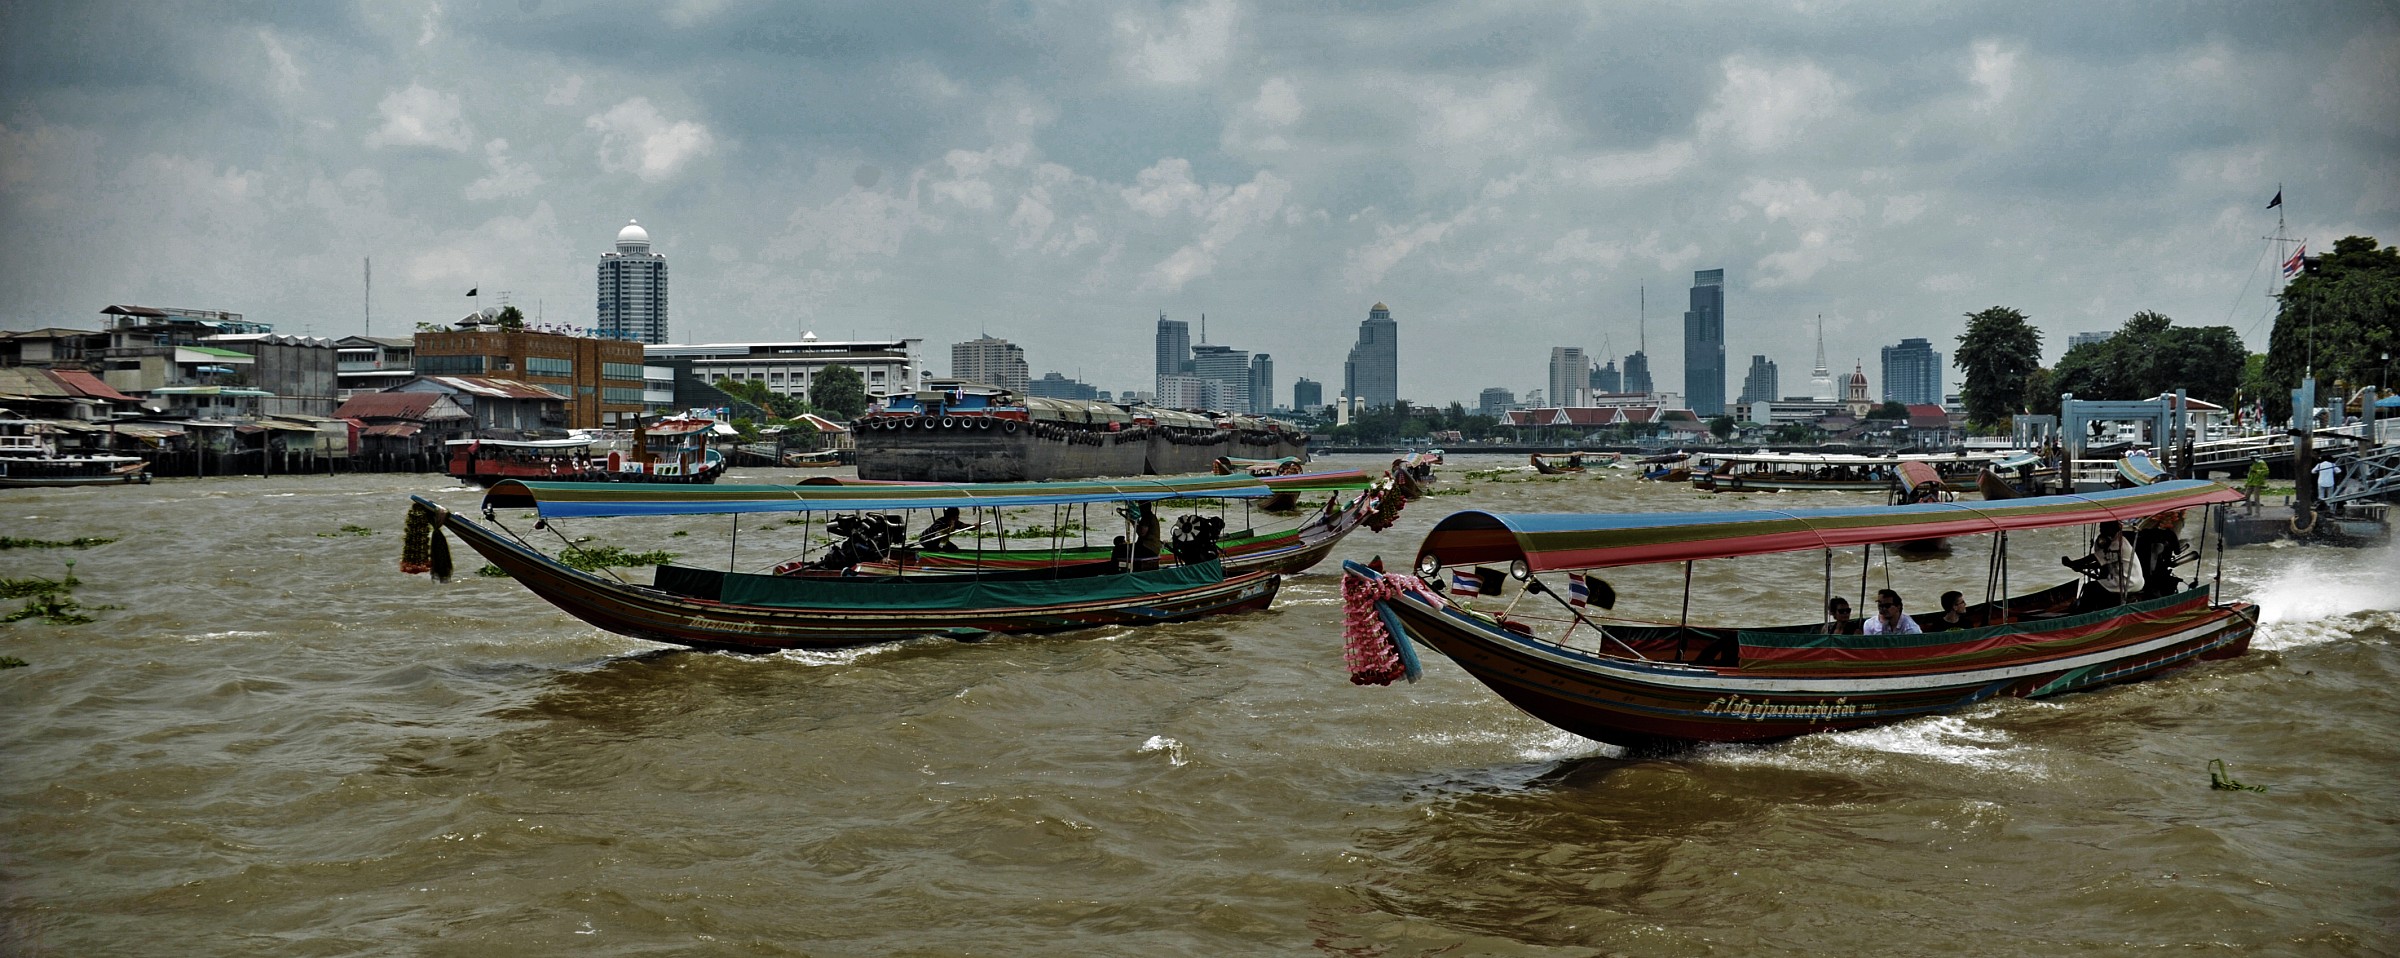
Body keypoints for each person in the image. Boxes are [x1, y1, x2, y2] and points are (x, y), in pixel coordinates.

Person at [2064, 519, 2143, 611]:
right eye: (2101, 528)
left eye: (2103, 528)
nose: (2101, 531)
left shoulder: (2118, 543)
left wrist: (2073, 563)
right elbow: (2100, 563)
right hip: (2128, 581)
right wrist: (2081, 567)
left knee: (2090, 587)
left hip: (2128, 582)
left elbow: (2094, 558)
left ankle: (2083, 614)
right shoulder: (2115, 541)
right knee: (2096, 585)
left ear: (2112, 528)